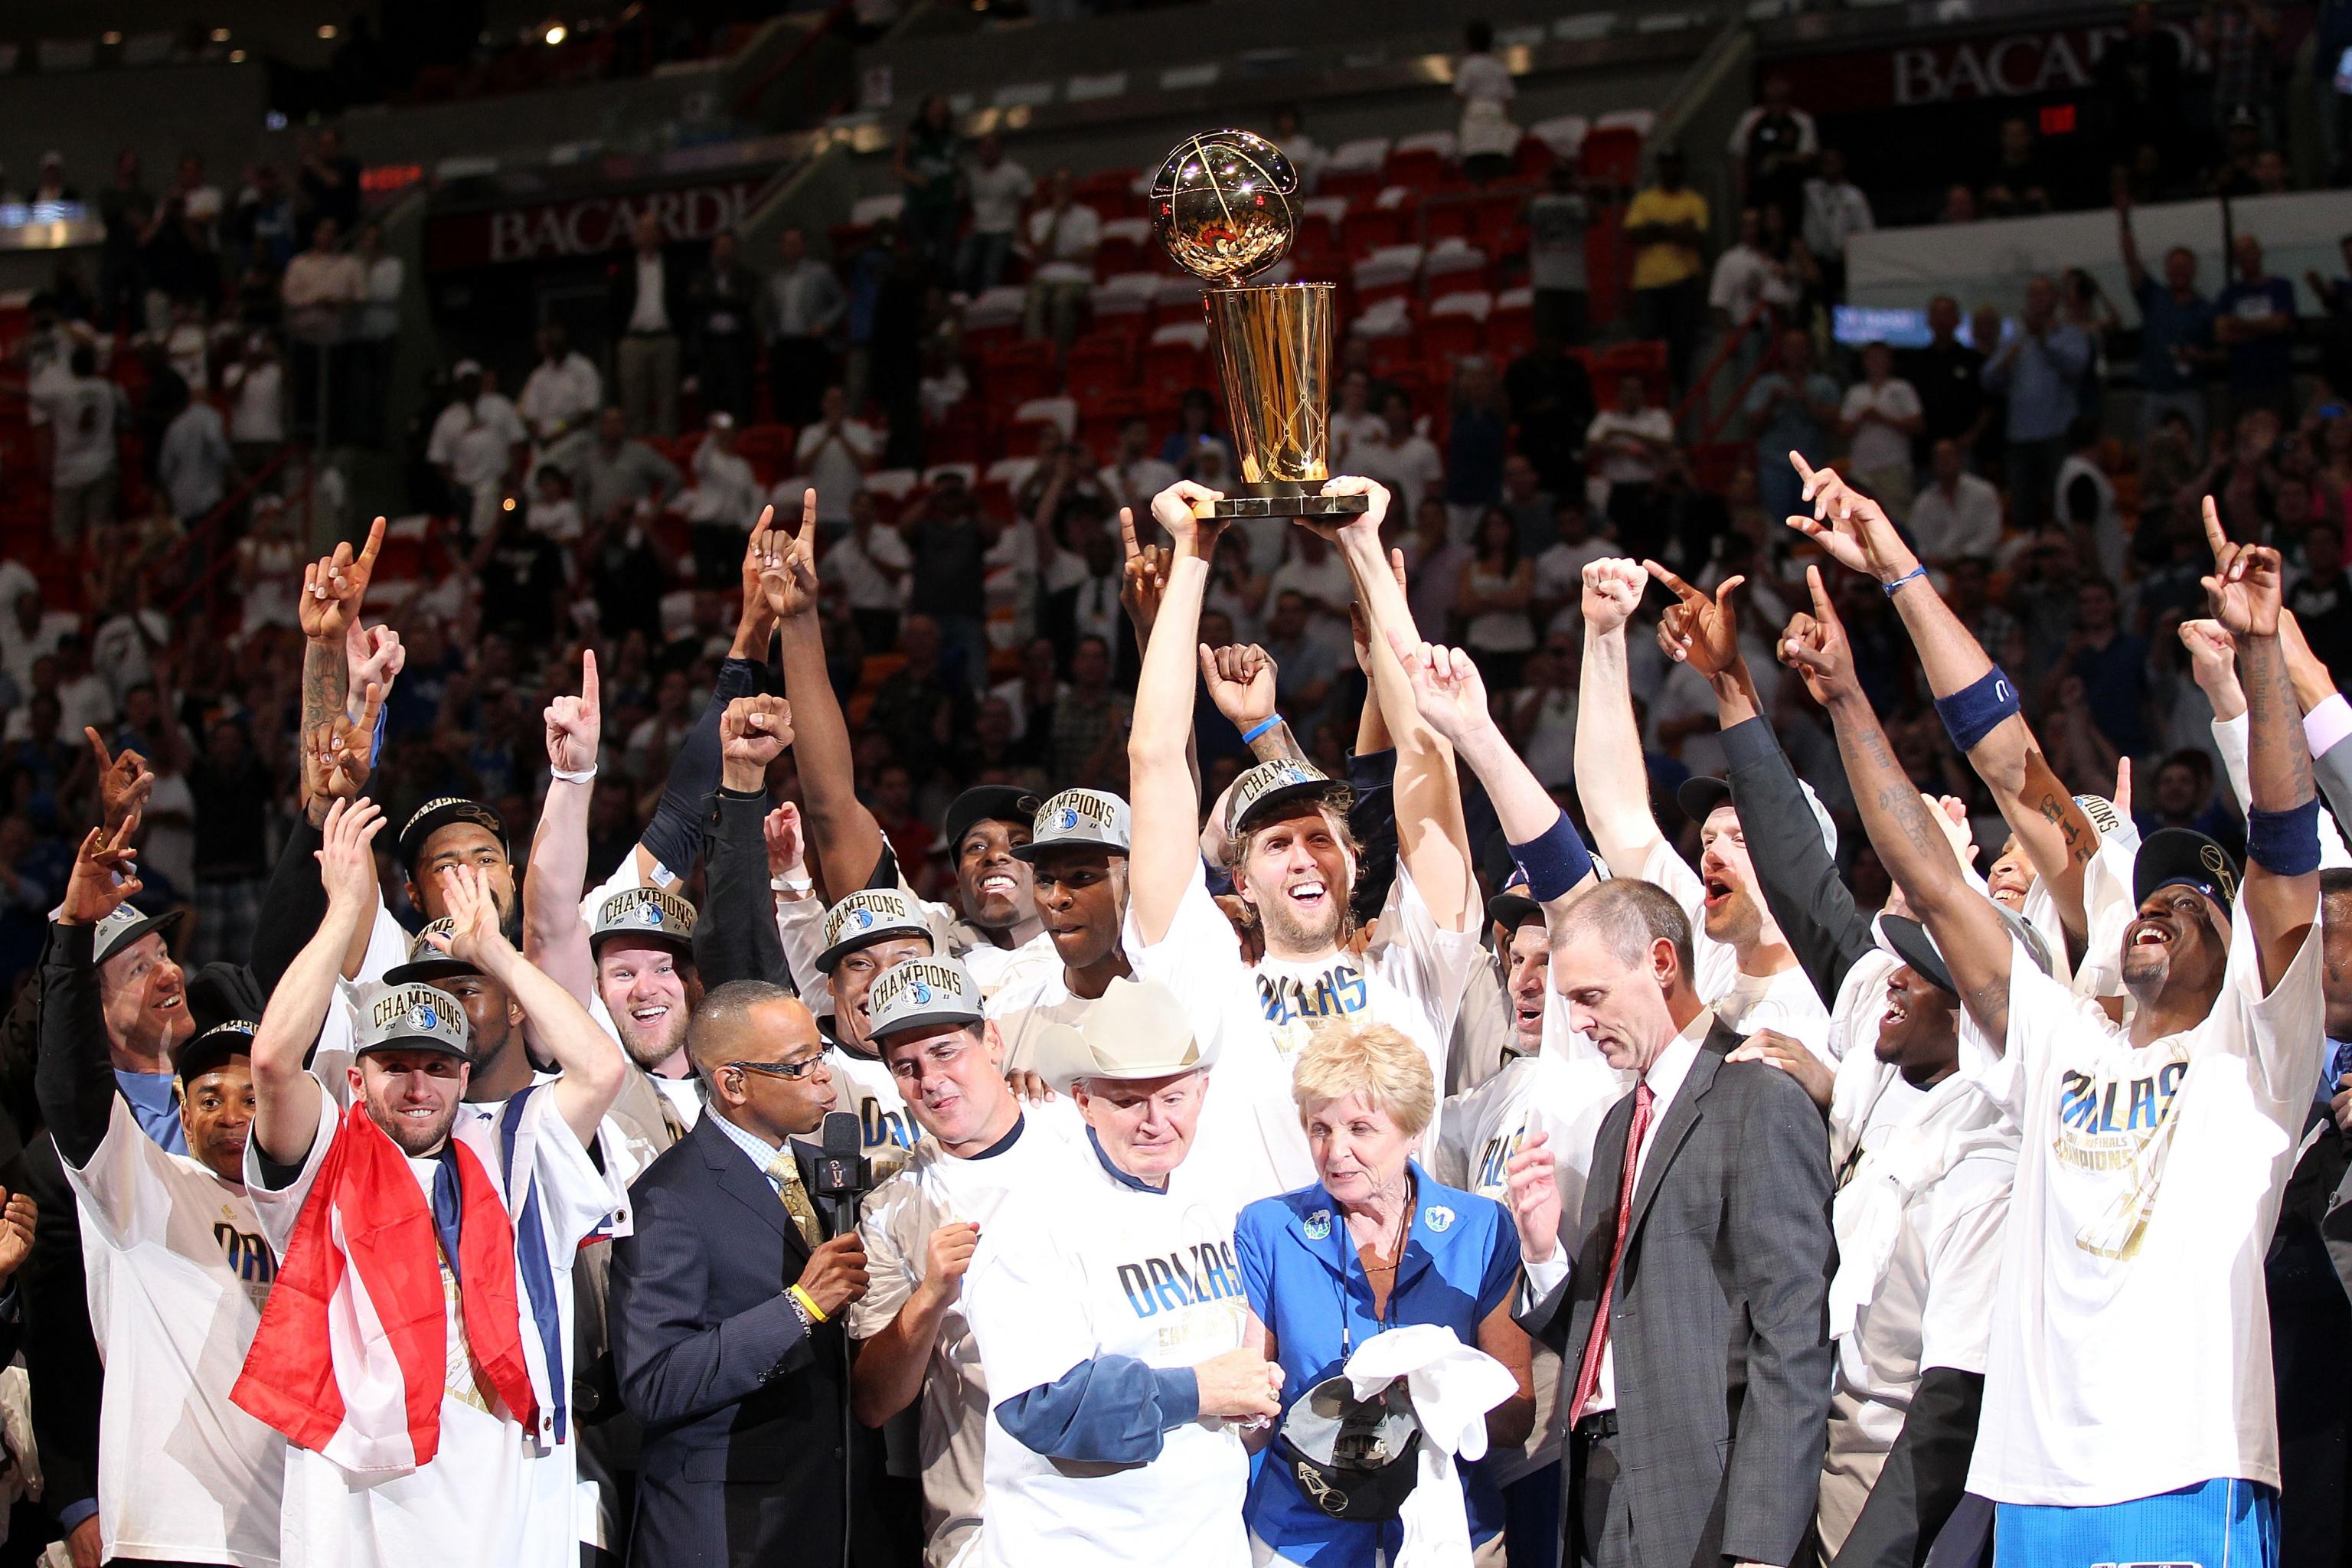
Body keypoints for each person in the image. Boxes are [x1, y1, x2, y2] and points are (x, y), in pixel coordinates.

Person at [1787, 454, 2324, 1565]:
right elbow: (1940, 868)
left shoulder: (2255, 1051)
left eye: (2194, 906)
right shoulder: (2056, 1037)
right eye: (2154, 895)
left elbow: (2282, 835)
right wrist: (1857, 668)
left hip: (2187, 1471)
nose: (2161, 913)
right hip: (2034, 1483)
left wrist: (2267, 657)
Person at [237, 802, 629, 1568]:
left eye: (438, 1065)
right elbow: (272, 1061)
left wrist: (499, 954)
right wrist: (346, 908)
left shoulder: (513, 1146)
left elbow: (601, 1067)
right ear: (357, 1075)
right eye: (396, 1065)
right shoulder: (328, 1157)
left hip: (512, 1491)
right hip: (363, 1502)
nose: (418, 1085)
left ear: (461, 1074)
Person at [1125, 476, 1481, 1200]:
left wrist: (1364, 548)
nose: (1303, 856)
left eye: (1319, 838)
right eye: (1275, 843)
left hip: (1412, 1296)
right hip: (1264, 1307)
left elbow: (1427, 758)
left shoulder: (1412, 969)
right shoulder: (1206, 979)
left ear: (1354, 859)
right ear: (1241, 882)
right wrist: (1193, 551)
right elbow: (1155, 759)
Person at [1502, 878, 1834, 1568]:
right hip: (1597, 1490)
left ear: (1661, 962)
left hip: (1704, 1497)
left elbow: (1793, 1330)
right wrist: (1542, 1254)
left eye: (1590, 998)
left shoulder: (1760, 1099)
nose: (1582, 1023)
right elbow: (1616, 1331)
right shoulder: (1620, 1123)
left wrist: (1764, 1543)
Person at [961, 975, 1283, 1568]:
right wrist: (1202, 1391)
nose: (1155, 1121)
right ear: (1083, 1101)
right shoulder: (1036, 1221)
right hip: (1078, 1550)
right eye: (1130, 1100)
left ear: (1202, 1091)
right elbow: (1042, 1406)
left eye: (1173, 1097)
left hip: (1207, 1543)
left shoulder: (1217, 1192)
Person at [1235, 1019, 1532, 1565]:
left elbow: (1516, 1418)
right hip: (1302, 1536)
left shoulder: (1482, 1229)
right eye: (1320, 1128)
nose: (1336, 1151)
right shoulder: (1268, 1230)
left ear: (1413, 1127)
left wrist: (1435, 1396)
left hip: (1451, 1532)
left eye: (1360, 1129)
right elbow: (1250, 1410)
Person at [610, 976, 883, 1568]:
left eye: (820, 1055)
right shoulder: (666, 1200)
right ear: (733, 1082)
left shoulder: (824, 1171)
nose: (822, 1077)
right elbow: (652, 1384)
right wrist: (798, 1308)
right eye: (796, 1065)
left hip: (832, 1517)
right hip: (724, 1530)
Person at [848, 954, 1081, 1566]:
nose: (931, 1080)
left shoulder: (1084, 1139)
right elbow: (874, 1402)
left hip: (1111, 1503)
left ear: (993, 1040)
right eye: (907, 1067)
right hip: (985, 1523)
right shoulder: (890, 1208)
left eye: (947, 1050)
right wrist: (929, 1299)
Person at [1576, 557, 1835, 1060]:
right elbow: (1616, 813)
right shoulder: (1704, 944)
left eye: (1741, 839)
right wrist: (1604, 635)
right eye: (1711, 838)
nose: (1712, 853)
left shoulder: (1843, 993)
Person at [1981, 276, 2091, 536]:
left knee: (2061, 500)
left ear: (2055, 300)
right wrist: (2004, 364)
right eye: (2032, 295)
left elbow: (2077, 367)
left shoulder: (2071, 335)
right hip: (2020, 436)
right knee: (2023, 504)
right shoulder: (2016, 338)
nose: (2036, 300)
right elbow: (1987, 378)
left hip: (2058, 432)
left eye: (2043, 294)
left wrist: (2045, 340)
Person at [2115, 188, 2213, 442]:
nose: (2179, 272)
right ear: (2167, 270)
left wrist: (2197, 355)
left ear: (2193, 271)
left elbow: (2220, 354)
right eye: (2174, 267)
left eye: (2184, 267)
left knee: (2193, 453)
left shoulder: (2206, 309)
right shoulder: (2154, 296)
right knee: (2150, 454)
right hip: (2153, 392)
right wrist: (2125, 219)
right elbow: (2131, 261)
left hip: (2189, 391)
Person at [1622, 146, 1708, 392]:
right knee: (1648, 346)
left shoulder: (1694, 201)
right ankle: (1652, 396)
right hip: (1648, 284)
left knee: (1682, 345)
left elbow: (1695, 238)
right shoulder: (1644, 200)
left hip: (1683, 282)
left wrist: (1656, 228)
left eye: (1675, 163)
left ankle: (1681, 397)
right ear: (1659, 168)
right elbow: (1634, 234)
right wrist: (1675, 229)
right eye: (1666, 164)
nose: (1671, 169)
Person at [33, 341, 129, 550]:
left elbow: (26, 395)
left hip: (68, 472)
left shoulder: (62, 393)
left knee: (66, 532)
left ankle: (70, 579)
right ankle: (98, 573)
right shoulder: (109, 389)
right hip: (102, 465)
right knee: (99, 529)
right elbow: (127, 420)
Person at [762, 226, 844, 428]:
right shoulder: (776, 280)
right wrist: (770, 341)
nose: (790, 248)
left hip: (811, 344)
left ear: (804, 246)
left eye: (795, 243)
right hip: (784, 345)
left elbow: (841, 301)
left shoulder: (820, 272)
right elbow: (771, 315)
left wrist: (825, 323)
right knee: (785, 402)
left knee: (813, 400)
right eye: (786, 244)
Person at [611, 211, 684, 439]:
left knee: (667, 401)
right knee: (633, 403)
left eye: (652, 229)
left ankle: (668, 449)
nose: (647, 234)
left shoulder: (673, 269)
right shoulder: (623, 271)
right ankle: (636, 452)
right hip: (633, 340)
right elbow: (612, 309)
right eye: (642, 229)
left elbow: (683, 306)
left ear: (659, 235)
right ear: (635, 236)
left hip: (665, 339)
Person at [2213, 233, 2298, 418]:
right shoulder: (2229, 294)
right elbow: (2222, 334)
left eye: (2249, 250)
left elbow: (2280, 324)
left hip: (2277, 381)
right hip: (2242, 385)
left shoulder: (2281, 287)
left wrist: (2240, 325)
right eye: (2240, 253)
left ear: (2259, 253)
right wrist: (2265, 329)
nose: (2246, 257)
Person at [1838, 341, 1922, 520]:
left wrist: (1883, 418)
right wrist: (1862, 418)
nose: (1875, 362)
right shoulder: (1856, 392)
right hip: (1861, 469)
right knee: (1859, 521)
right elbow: (1843, 430)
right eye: (1871, 358)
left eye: (1881, 357)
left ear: (1890, 361)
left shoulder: (1902, 388)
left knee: (1897, 519)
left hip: (1894, 467)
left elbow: (1917, 425)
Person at [1729, 74, 1818, 234]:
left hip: (1789, 189)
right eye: (1773, 99)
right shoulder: (1751, 119)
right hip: (1758, 189)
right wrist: (1742, 193)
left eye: (1780, 99)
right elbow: (1738, 155)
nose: (1777, 104)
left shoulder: (1801, 120)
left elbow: (1807, 156)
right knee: (1757, 231)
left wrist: (1778, 159)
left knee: (1791, 232)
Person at [1021, 169, 1100, 349]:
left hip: (1076, 278)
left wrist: (1058, 257)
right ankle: (1037, 352)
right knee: (1034, 301)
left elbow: (1089, 253)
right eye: (1058, 186)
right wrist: (1056, 219)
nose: (1062, 190)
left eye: (1066, 186)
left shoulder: (1088, 216)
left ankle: (1061, 354)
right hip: (1044, 278)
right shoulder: (1040, 219)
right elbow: (1041, 253)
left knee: (1062, 301)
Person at [688, 230, 759, 425]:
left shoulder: (746, 277)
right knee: (710, 398)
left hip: (736, 346)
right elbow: (695, 301)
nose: (723, 252)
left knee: (739, 397)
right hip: (709, 346)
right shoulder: (701, 277)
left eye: (728, 247)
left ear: (736, 251)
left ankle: (740, 441)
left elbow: (743, 301)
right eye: (720, 247)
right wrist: (727, 297)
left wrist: (714, 297)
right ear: (713, 250)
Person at [518, 322, 602, 472]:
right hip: (544, 440)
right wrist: (540, 436)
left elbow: (589, 412)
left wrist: (557, 434)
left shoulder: (583, 368)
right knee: (538, 470)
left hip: (574, 436)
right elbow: (530, 415)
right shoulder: (539, 375)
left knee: (544, 470)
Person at [958, 134, 1033, 298]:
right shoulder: (972, 174)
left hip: (1005, 230)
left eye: (992, 147)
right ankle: (967, 303)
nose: (988, 152)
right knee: (962, 266)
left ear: (1000, 149)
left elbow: (1030, 202)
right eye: (984, 148)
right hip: (978, 229)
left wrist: (1024, 229)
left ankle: (986, 305)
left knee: (991, 270)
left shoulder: (1015, 173)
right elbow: (966, 204)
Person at [795, 386, 881, 528]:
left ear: (846, 404)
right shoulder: (810, 433)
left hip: (850, 513)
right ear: (823, 404)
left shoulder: (861, 431)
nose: (835, 406)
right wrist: (826, 437)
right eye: (831, 401)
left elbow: (867, 465)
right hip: (819, 513)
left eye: (839, 401)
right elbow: (800, 467)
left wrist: (842, 436)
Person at [1524, 161, 1589, 347]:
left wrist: (1579, 189)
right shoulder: (1539, 202)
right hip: (1546, 282)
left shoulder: (1577, 202)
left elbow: (1595, 218)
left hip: (1575, 281)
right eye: (1557, 177)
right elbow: (1519, 217)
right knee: (1547, 340)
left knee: (1577, 342)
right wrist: (1537, 188)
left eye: (1564, 177)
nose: (1561, 182)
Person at [1909, 437, 2004, 566]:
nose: (1944, 461)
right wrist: (1934, 560)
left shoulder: (1984, 492)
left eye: (1949, 455)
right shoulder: (1924, 501)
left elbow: (1990, 535)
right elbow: (1919, 542)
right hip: (1937, 567)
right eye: (1939, 457)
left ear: (1961, 460)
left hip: (1978, 563)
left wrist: (1961, 558)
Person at [1801, 148, 1873, 302]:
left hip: (1843, 264)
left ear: (1842, 164)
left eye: (1833, 162)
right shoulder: (1810, 191)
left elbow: (1867, 232)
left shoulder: (1854, 196)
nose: (1829, 166)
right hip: (1814, 262)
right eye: (1825, 162)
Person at [1455, 20, 1519, 185]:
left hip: (1476, 116)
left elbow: (1460, 95)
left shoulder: (1468, 66)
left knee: (1475, 172)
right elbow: (1508, 98)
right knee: (1499, 172)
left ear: (1470, 42)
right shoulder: (1498, 67)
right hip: (1496, 115)